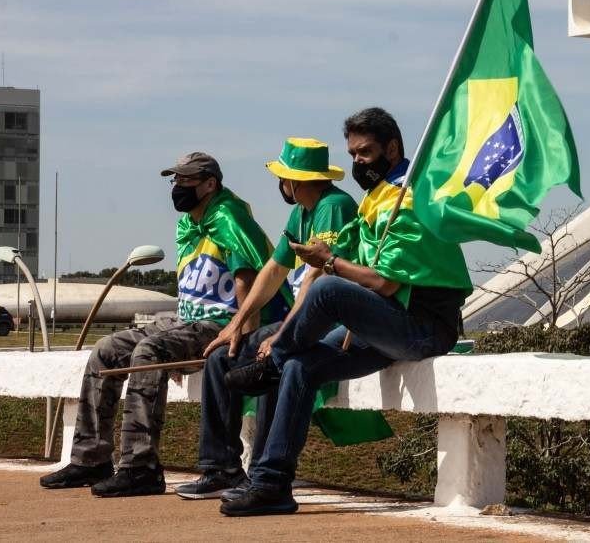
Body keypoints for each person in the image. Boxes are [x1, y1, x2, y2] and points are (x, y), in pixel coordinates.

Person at [220, 107, 472, 517]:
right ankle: (270, 484)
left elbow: (384, 283)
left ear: (393, 149)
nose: (358, 161)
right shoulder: (377, 197)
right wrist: (329, 262)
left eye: (365, 152)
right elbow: (334, 263)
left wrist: (330, 262)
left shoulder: (410, 197)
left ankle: (271, 364)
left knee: (328, 290)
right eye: (353, 153)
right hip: (385, 326)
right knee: (301, 366)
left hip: (422, 327)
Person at [40, 153, 280, 497]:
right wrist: (176, 338)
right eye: (175, 180)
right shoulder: (189, 224)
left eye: (186, 180)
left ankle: (141, 467)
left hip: (220, 323)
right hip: (187, 320)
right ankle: (90, 457)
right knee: (106, 350)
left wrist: (244, 333)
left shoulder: (229, 218)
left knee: (149, 350)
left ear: (210, 184)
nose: (177, 187)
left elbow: (247, 277)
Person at [175, 138, 358, 499]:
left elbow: (316, 278)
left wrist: (284, 333)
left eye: (282, 178)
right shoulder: (301, 212)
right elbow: (273, 270)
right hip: (304, 319)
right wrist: (235, 325)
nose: (280, 185)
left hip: (330, 321)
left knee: (272, 359)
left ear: (295, 181)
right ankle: (220, 467)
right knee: (220, 356)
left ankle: (261, 471)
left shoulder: (333, 207)